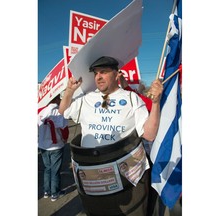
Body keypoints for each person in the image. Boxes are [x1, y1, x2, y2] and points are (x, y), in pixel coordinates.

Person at [59, 56, 163, 215]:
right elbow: (63, 112)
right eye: (95, 73)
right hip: (91, 178)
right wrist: (70, 90)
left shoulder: (131, 98)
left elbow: (149, 134)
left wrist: (155, 103)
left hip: (126, 177)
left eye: (104, 72)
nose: (98, 77)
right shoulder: (86, 99)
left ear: (116, 74)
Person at [38, 93, 69, 202]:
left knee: (47, 168)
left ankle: (46, 191)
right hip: (55, 146)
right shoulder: (59, 112)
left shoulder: (41, 111)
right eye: (59, 98)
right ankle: (55, 193)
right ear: (55, 99)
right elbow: (64, 130)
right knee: (55, 171)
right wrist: (65, 139)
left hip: (43, 145)